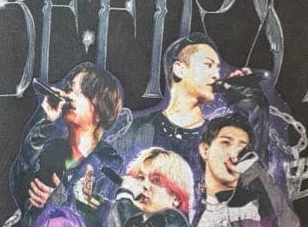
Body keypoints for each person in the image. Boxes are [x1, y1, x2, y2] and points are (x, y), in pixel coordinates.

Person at [8, 62, 124, 227]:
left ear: (100, 109)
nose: (69, 95)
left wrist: (57, 201)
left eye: (80, 92)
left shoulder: (109, 166)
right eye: (69, 88)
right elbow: (18, 180)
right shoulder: (51, 152)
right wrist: (44, 120)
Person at [110, 32, 269, 173]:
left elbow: (255, 182)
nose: (216, 75)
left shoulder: (221, 137)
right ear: (179, 69)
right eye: (208, 65)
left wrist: (253, 106)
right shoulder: (136, 129)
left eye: (217, 68)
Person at [193, 112, 300, 227]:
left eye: (242, 148)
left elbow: (287, 226)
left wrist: (253, 170)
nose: (234, 155)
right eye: (226, 143)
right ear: (205, 150)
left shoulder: (253, 204)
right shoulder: (191, 203)